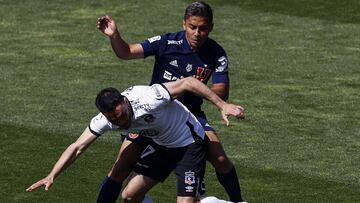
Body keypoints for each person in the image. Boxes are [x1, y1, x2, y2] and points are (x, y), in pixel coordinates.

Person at [97, 1, 245, 202]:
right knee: (121, 166)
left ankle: (238, 201)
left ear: (211, 27)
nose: (197, 33)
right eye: (192, 27)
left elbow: (221, 91)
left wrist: (194, 89)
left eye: (202, 28)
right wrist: (114, 36)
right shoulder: (167, 42)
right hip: (152, 113)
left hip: (188, 116)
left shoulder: (216, 53)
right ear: (184, 24)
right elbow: (126, 52)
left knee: (219, 157)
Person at [25, 77, 245, 203]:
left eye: (121, 115)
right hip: (161, 145)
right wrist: (52, 174)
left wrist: (222, 105)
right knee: (129, 196)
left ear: (124, 101)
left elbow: (189, 82)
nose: (120, 122)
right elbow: (77, 147)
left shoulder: (149, 98)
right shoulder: (107, 120)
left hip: (188, 144)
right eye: (114, 120)